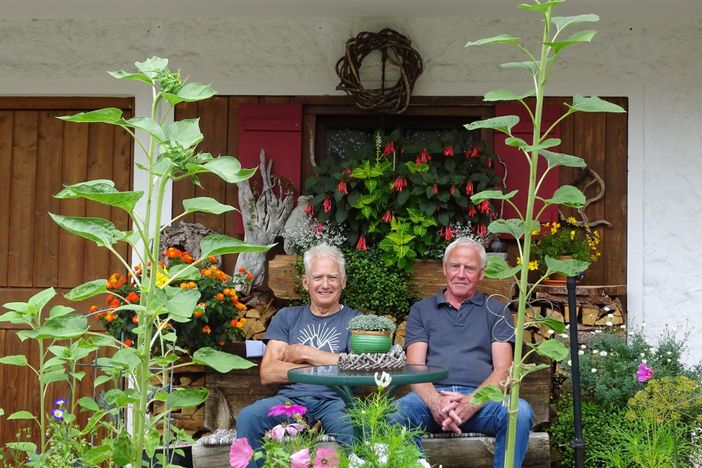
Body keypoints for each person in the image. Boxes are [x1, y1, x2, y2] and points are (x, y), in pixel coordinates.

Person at [390, 237, 533, 468]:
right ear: (445, 269)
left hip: (482, 404)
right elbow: (415, 368)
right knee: (397, 412)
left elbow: (504, 370)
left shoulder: (495, 310)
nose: (461, 274)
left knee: (519, 412)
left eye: (470, 268)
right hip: (431, 401)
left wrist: (471, 403)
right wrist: (436, 403)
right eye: (455, 266)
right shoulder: (422, 310)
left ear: (481, 274)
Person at [235, 243, 359, 466]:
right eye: (318, 277)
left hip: (336, 402)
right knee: (249, 417)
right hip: (290, 402)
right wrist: (330, 364)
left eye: (332, 277)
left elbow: (356, 367)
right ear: (305, 282)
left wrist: (303, 352)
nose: (325, 284)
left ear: (343, 281)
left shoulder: (356, 321)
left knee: (359, 436)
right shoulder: (286, 317)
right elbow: (269, 372)